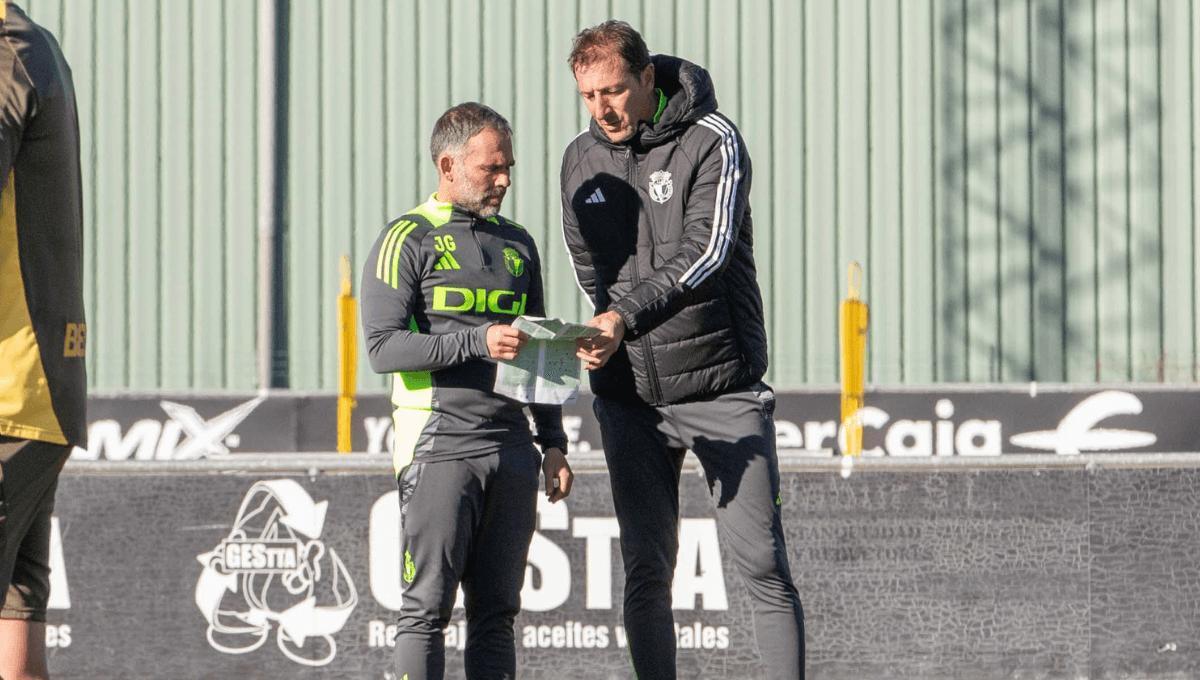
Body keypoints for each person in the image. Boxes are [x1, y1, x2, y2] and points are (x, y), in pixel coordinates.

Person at [560, 21, 805, 679]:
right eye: (588, 96)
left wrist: (622, 316)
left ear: (647, 77)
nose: (602, 109)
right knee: (646, 570)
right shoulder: (579, 160)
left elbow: (707, 252)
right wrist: (607, 334)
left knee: (762, 566)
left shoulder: (713, 140)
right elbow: (590, 266)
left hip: (721, 389)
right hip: (630, 399)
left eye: (613, 90)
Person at [362, 102, 573, 680]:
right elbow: (382, 348)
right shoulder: (406, 237)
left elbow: (538, 348)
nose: (504, 179)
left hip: (512, 448)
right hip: (440, 446)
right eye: (492, 168)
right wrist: (476, 343)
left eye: (509, 167)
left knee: (497, 614)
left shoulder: (519, 243)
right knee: (426, 610)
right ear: (449, 164)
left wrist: (552, 441)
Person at [0, 3, 85, 679]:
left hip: (9, 391)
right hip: (30, 390)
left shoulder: (6, 46)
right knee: (16, 634)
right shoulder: (28, 42)